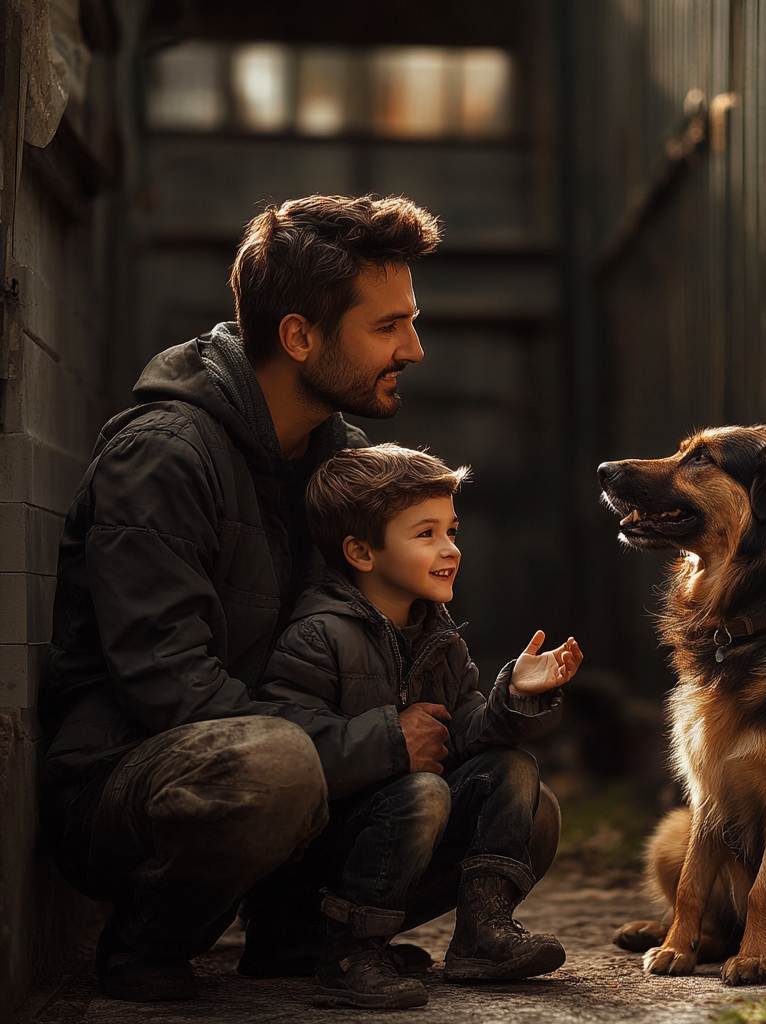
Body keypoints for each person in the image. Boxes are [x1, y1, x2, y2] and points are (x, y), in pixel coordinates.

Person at [36, 194, 562, 1004]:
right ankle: (147, 943)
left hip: (303, 763)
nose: (414, 349)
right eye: (387, 327)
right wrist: (378, 746)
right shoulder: (164, 459)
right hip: (134, 786)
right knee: (273, 766)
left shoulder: (341, 462)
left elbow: (398, 648)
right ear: (298, 337)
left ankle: (302, 936)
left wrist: (488, 713)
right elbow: (173, 695)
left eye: (410, 323)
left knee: (521, 810)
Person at [254, 443, 583, 1009]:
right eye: (425, 534)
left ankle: (484, 931)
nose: (450, 548)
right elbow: (289, 750)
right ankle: (344, 951)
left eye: (452, 530)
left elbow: (466, 734)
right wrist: (391, 741)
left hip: (396, 836)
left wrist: (513, 696)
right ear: (360, 551)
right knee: (424, 791)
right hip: (315, 867)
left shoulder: (439, 637)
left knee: (510, 766)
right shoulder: (318, 636)